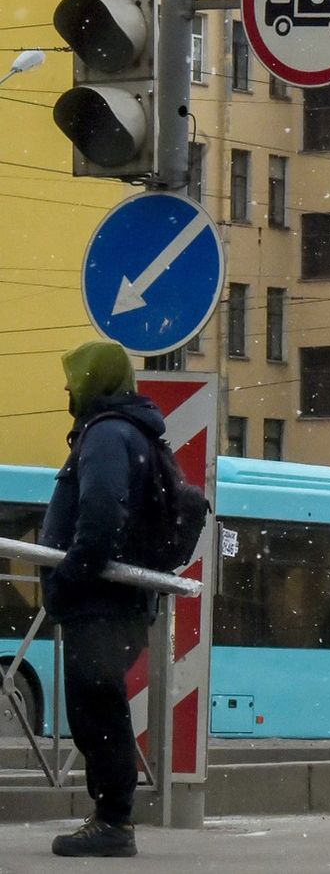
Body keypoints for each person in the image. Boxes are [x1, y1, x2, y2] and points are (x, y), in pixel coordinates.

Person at [39, 340, 165, 859]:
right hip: (110, 601)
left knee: (98, 709)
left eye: (74, 377)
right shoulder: (122, 431)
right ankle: (109, 817)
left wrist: (67, 577)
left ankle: (114, 821)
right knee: (96, 707)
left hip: (101, 603)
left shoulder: (108, 435)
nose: (67, 388)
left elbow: (99, 518)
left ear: (95, 380)